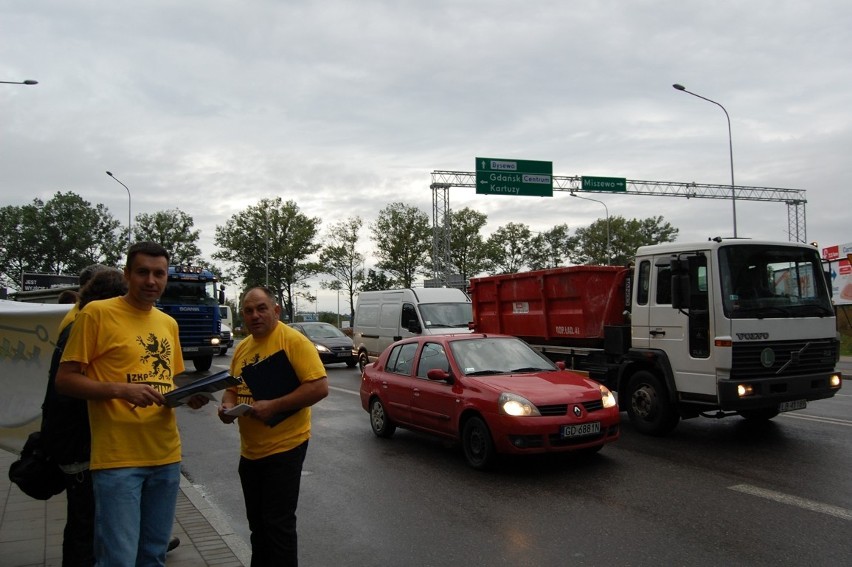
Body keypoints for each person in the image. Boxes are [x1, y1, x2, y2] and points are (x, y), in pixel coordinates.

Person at [56, 242, 208, 567]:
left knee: (153, 556)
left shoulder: (168, 323)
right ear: (127, 274)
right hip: (118, 461)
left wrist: (188, 397)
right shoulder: (97, 314)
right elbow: (65, 379)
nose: (151, 281)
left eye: (159, 274)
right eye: (142, 272)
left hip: (166, 456)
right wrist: (121, 390)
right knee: (118, 560)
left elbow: (168, 381)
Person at [218, 286, 328, 567]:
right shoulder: (242, 347)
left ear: (276, 311)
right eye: (248, 310)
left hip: (285, 447)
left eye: (261, 308)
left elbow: (319, 387)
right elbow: (231, 389)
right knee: (258, 526)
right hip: (250, 452)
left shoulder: (292, 341)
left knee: (277, 526)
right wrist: (227, 407)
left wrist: (275, 405)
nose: (255, 315)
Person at [42, 269, 126, 567]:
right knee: (85, 522)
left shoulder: (78, 318)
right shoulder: (86, 324)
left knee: (86, 520)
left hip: (73, 437)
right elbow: (68, 386)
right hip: (80, 442)